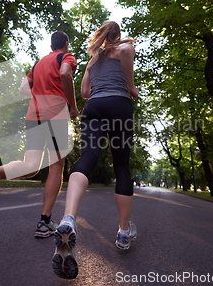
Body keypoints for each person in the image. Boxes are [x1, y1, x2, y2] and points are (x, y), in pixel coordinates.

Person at [0, 31, 79, 238]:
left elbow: (23, 89)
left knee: (31, 167)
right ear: (65, 44)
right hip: (55, 113)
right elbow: (66, 74)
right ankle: (44, 222)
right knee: (56, 165)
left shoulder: (38, 64)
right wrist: (72, 107)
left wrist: (39, 96)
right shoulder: (66, 56)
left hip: (34, 115)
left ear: (51, 44)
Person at [51, 21, 139, 279]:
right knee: (121, 165)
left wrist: (98, 77)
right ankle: (124, 231)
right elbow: (124, 54)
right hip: (119, 106)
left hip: (94, 108)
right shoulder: (124, 47)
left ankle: (68, 218)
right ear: (118, 35)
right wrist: (130, 86)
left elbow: (85, 91)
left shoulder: (93, 59)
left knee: (88, 157)